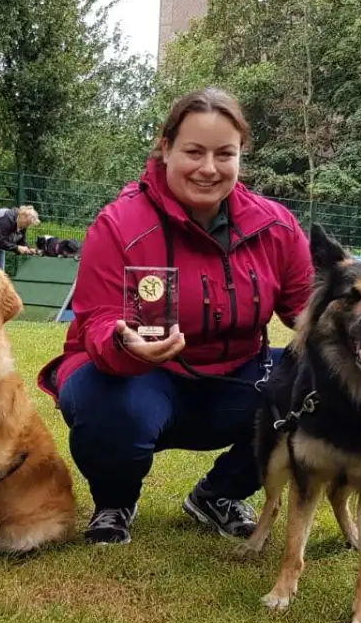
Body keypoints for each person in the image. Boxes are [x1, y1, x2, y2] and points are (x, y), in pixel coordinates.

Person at [37, 88, 312, 545]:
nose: (208, 168)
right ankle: (115, 501)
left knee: (316, 383)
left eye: (225, 153)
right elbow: (95, 321)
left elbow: (309, 310)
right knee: (97, 397)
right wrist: (126, 343)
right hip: (143, 376)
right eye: (193, 151)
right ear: (165, 148)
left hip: (238, 379)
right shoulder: (118, 224)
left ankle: (218, 495)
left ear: (241, 155)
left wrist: (353, 336)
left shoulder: (276, 226)